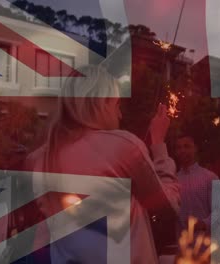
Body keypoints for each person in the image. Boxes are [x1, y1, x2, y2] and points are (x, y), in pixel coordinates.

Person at [26, 65, 179, 264]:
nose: (120, 115)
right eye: (117, 106)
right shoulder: (122, 146)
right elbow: (167, 208)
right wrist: (158, 145)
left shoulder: (39, 159)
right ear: (102, 102)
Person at [174, 134, 220, 244]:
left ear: (195, 148)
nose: (182, 150)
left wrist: (203, 223)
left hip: (206, 246)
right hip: (182, 246)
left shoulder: (210, 177)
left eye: (186, 146)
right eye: (178, 147)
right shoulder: (173, 180)